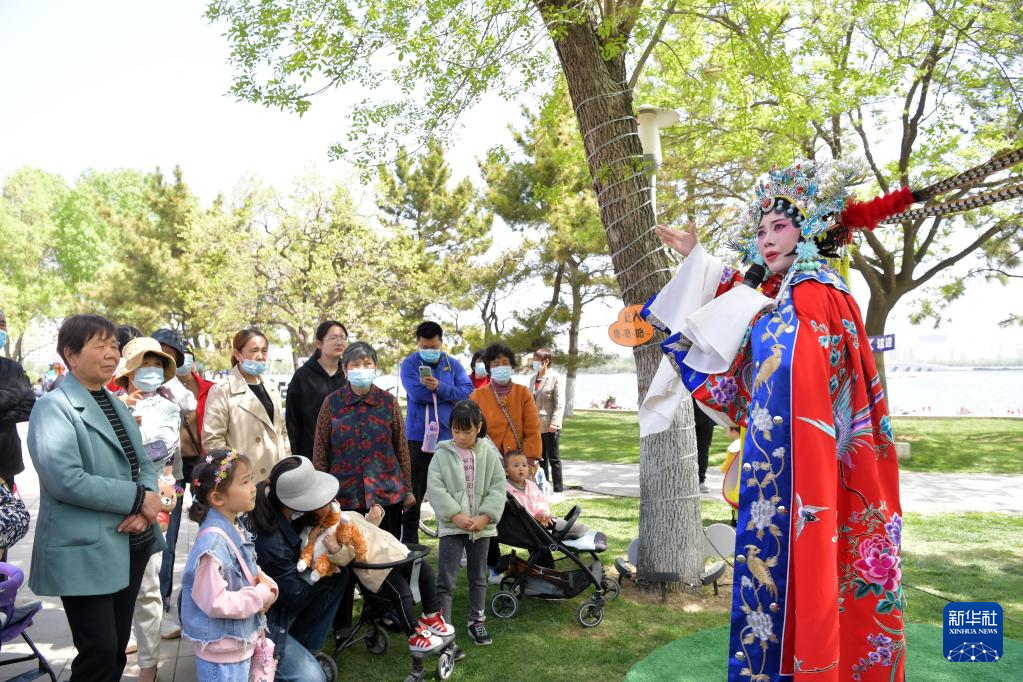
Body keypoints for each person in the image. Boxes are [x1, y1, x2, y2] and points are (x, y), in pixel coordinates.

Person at [640, 160, 905, 680]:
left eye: (779, 226)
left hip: (808, 466)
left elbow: (786, 364)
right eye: (760, 230)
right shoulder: (789, 292)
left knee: (811, 566)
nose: (766, 239)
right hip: (787, 463)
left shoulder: (816, 294)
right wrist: (699, 261)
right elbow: (748, 313)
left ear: (809, 231)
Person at [27, 314, 165, 682]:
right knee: (99, 650)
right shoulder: (53, 407)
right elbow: (66, 480)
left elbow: (142, 462)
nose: (111, 354)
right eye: (99, 345)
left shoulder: (114, 402)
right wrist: (138, 499)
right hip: (86, 549)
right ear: (70, 355)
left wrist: (147, 503)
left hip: (131, 540)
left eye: (114, 346)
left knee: (115, 647)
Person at [113, 337, 181, 679]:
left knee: (147, 588)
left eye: (157, 365)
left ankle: (149, 666)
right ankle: (113, 653)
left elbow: (160, 448)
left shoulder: (168, 409)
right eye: (145, 364)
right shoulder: (107, 404)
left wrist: (125, 429)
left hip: (149, 505)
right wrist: (121, 412)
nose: (152, 371)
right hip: (109, 505)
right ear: (128, 370)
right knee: (109, 588)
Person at [181, 450, 278, 681]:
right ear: (217, 498)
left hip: (235, 648)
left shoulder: (234, 526)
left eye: (251, 479)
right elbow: (215, 602)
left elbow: (242, 568)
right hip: (222, 661)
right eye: (244, 482)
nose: (253, 488)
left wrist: (267, 584)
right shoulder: (213, 545)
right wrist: (259, 596)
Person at [250, 456, 347, 681]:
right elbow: (294, 597)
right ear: (295, 502)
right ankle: (280, 660)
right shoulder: (272, 543)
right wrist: (318, 565)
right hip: (260, 619)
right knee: (313, 678)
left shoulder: (273, 505)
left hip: (275, 599)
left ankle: (305, 647)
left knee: (338, 577)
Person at [313, 341, 412, 538]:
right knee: (349, 552)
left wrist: (407, 490)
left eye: (367, 364)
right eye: (355, 365)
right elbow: (320, 452)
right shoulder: (332, 403)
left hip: (386, 497)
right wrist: (322, 496)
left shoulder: (388, 402)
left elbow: (401, 447)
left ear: (375, 367)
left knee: (387, 551)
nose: (362, 369)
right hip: (345, 498)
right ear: (345, 369)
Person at [426, 400, 505, 647]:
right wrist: (455, 515)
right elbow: (435, 489)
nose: (461, 437)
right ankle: (444, 627)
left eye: (467, 431)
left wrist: (485, 516)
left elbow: (498, 488)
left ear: (478, 427)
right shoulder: (441, 454)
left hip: (481, 529)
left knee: (478, 576)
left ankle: (476, 620)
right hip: (452, 528)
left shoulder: (489, 453)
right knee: (446, 579)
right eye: (456, 431)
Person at [327, 503, 456, 655]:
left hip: (396, 552)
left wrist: (373, 517)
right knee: (402, 594)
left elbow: (367, 528)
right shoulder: (331, 531)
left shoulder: (351, 514)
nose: (334, 503)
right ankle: (415, 635)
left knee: (426, 573)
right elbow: (346, 559)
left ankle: (431, 616)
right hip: (378, 565)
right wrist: (335, 549)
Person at [153, 328, 214, 619]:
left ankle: (209, 591)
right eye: (161, 352)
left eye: (174, 353)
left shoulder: (210, 389)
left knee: (211, 525)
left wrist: (219, 468)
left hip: (202, 467)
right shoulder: (152, 388)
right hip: (174, 471)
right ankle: (162, 597)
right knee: (169, 528)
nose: (168, 358)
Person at [399, 321, 473, 543]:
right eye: (424, 347)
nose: (429, 351)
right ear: (418, 344)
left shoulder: (452, 364)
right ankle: (410, 545)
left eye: (433, 347)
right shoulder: (410, 364)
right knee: (414, 493)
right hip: (418, 438)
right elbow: (417, 394)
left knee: (454, 491)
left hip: (449, 438)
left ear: (441, 343)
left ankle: (454, 540)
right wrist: (449, 394)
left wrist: (439, 387)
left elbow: (467, 392)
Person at [203, 328, 290, 481]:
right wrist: (237, 473)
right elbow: (213, 442)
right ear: (238, 354)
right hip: (245, 479)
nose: (260, 356)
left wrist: (287, 463)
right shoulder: (222, 390)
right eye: (254, 350)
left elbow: (281, 431)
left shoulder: (271, 387)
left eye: (264, 350)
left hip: (277, 476)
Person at [286, 321, 349, 459]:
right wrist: (297, 458)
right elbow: (292, 422)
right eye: (333, 338)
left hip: (346, 456)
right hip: (311, 456)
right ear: (319, 344)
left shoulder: (349, 375)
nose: (339, 342)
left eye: (343, 337)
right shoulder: (302, 376)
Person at [470, 343, 542, 462]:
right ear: (489, 368)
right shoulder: (477, 395)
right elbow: (471, 430)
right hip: (486, 459)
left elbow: (532, 429)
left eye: (505, 363)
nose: (501, 367)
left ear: (511, 366)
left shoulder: (523, 393)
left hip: (517, 460)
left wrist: (529, 460)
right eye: (496, 364)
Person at [0, 309, 35, 492]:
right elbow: (21, 396)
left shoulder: (13, 368)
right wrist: (13, 394)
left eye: (2, 325)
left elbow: (28, 407)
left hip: (6, 464)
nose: (1, 330)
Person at [528, 347, 565, 494]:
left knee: (554, 458)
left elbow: (559, 403)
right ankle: (544, 487)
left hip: (550, 425)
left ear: (546, 361)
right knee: (541, 458)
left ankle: (558, 489)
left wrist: (555, 422)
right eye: (534, 360)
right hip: (536, 426)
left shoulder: (555, 378)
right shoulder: (532, 379)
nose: (534, 363)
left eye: (537, 360)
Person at [693, 397, 715, 494]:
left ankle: (700, 480)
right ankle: (689, 479)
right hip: (689, 413)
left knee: (704, 449)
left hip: (707, 415)